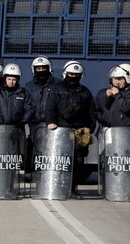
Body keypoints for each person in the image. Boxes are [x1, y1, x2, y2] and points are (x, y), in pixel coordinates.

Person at [45, 61, 96, 198]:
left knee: (79, 161)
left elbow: (92, 113)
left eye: (76, 75)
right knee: (61, 160)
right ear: (65, 74)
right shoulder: (56, 89)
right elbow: (50, 108)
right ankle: (58, 187)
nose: (73, 76)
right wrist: (51, 122)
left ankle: (72, 189)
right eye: (71, 74)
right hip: (62, 130)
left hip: (81, 131)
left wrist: (90, 129)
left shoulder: (85, 92)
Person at [24, 56, 61, 173]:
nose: (40, 70)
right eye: (38, 68)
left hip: (52, 123)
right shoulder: (28, 86)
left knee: (51, 149)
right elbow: (26, 104)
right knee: (35, 148)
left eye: (43, 68)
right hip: (34, 123)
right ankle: (34, 173)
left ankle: (50, 173)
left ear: (48, 68)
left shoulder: (58, 84)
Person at [0, 63, 35, 131]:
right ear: (5, 79)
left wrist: (23, 121)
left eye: (14, 80)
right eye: (9, 79)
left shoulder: (23, 93)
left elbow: (30, 109)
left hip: (17, 128)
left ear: (17, 80)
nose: (11, 82)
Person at [95, 63, 130, 128]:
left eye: (119, 79)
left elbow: (126, 107)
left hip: (128, 131)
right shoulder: (116, 92)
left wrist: (117, 95)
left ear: (128, 78)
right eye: (114, 79)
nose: (116, 82)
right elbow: (105, 108)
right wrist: (108, 98)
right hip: (112, 130)